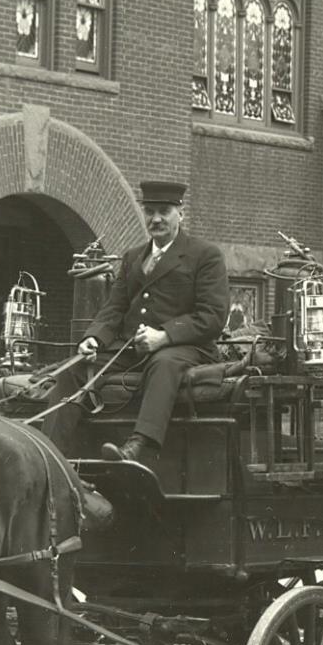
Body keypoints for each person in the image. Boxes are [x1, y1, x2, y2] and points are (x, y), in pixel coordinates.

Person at [80, 178, 229, 470]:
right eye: (150, 212)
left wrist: (164, 336)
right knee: (78, 367)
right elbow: (115, 308)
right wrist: (94, 338)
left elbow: (212, 316)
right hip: (131, 349)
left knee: (164, 363)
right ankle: (48, 448)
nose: (156, 219)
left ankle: (139, 446)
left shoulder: (205, 255)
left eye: (164, 211)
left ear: (180, 213)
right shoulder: (133, 256)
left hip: (187, 348)